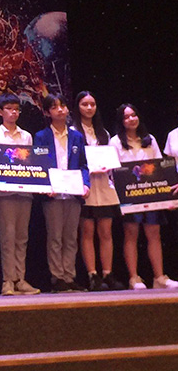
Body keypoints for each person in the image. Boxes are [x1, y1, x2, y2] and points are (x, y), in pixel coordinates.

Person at [109, 103, 178, 290]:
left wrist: (166, 197)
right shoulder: (115, 142)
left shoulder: (150, 139)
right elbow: (113, 171)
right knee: (131, 233)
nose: (131, 119)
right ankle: (134, 277)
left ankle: (159, 277)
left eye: (134, 115)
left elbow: (161, 167)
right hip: (129, 195)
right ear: (121, 121)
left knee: (154, 233)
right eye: (126, 117)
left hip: (151, 193)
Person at [33, 93, 90, 292]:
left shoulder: (76, 136)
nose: (60, 110)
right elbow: (38, 165)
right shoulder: (41, 136)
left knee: (71, 237)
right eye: (54, 107)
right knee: (55, 237)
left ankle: (69, 275)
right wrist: (45, 186)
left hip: (73, 193)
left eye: (63, 106)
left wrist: (85, 184)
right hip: (53, 194)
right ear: (47, 112)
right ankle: (57, 277)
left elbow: (83, 164)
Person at [0, 93, 40, 296]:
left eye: (16, 109)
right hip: (4, 192)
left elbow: (31, 163)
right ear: (0, 112)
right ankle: (8, 280)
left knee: (22, 237)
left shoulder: (26, 136)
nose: (13, 113)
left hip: (24, 191)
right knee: (8, 236)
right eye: (9, 109)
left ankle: (21, 279)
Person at [70, 91, 123, 291]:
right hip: (86, 186)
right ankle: (92, 274)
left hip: (104, 186)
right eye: (85, 104)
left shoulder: (103, 133)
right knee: (87, 231)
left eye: (92, 104)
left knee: (106, 231)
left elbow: (110, 157)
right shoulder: (73, 131)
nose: (89, 108)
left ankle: (108, 273)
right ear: (77, 107)